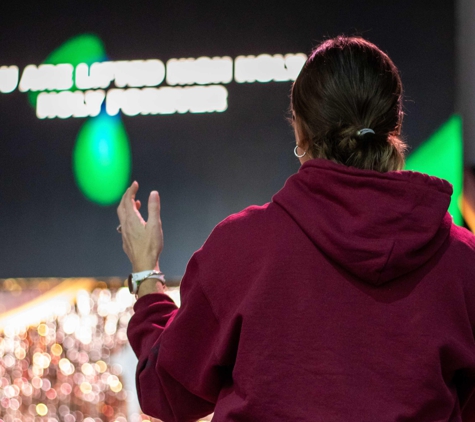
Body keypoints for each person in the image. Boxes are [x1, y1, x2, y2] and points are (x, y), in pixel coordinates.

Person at [117, 36, 475, 421]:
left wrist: (146, 275)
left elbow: (167, 389)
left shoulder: (241, 249)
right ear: (395, 123)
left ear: (300, 129)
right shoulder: (463, 263)